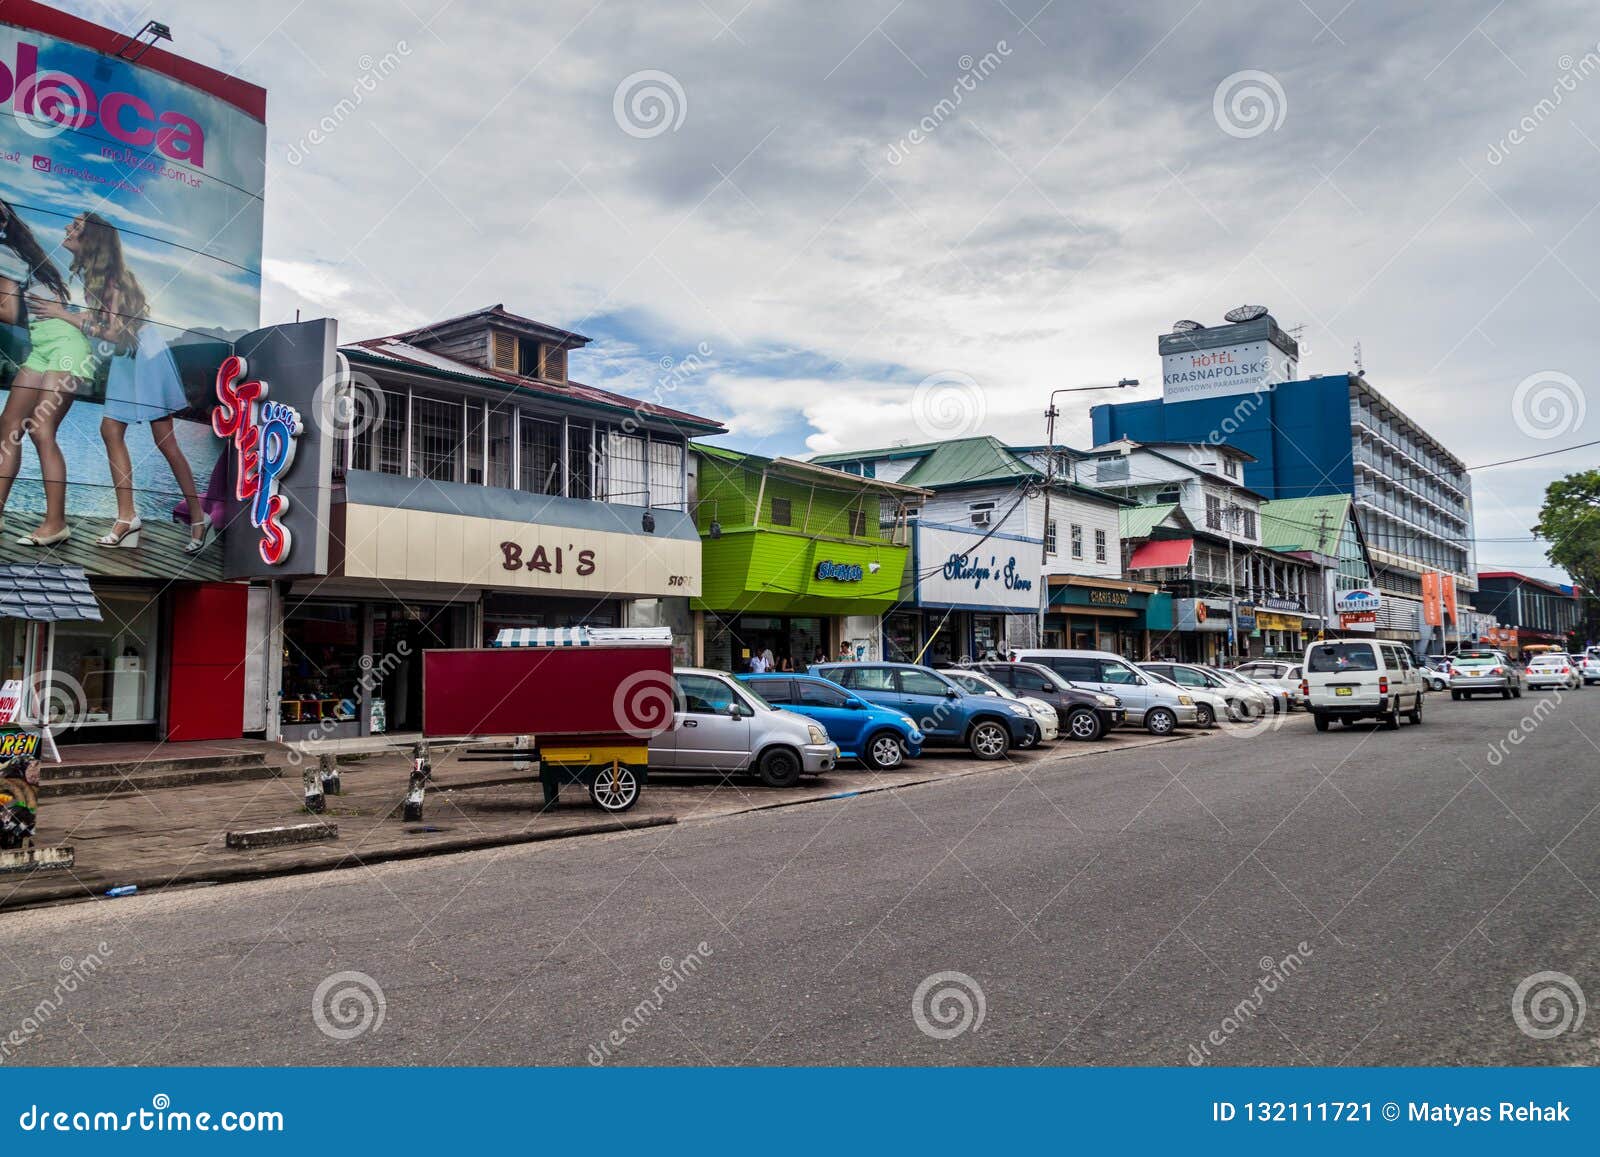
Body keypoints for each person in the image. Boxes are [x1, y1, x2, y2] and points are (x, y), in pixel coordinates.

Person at [61, 212, 209, 553]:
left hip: (144, 353)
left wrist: (66, 317)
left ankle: (199, 518)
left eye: (76, 226)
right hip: (129, 358)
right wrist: (77, 315)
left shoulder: (111, 278)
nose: (67, 229)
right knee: (111, 430)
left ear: (92, 240)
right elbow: (107, 323)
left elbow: (116, 331)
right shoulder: (93, 276)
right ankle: (127, 517)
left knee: (165, 441)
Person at [0, 199, 85, 547]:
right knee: (9, 428)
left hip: (65, 347)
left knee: (40, 430)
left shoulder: (4, 253)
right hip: (43, 347)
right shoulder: (18, 253)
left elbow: (7, 312)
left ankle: (56, 524)